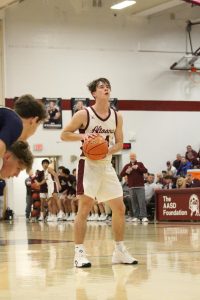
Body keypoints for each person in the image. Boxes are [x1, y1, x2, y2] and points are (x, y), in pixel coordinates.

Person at [61, 77, 138, 268]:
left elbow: (119, 143)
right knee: (85, 207)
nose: (106, 89)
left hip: (106, 163)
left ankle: (119, 251)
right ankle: (79, 253)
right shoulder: (83, 114)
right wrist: (85, 136)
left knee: (119, 208)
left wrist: (107, 149)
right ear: (94, 93)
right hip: (87, 164)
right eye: (101, 87)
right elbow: (64, 134)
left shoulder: (117, 116)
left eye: (108, 86)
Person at [120, 152, 148, 223]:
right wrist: (127, 171)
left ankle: (143, 216)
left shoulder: (140, 164)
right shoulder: (127, 165)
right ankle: (136, 216)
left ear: (136, 157)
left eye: (133, 156)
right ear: (129, 157)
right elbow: (121, 174)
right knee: (134, 202)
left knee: (141, 202)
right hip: (131, 187)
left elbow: (145, 170)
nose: (132, 158)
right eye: (131, 157)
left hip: (140, 186)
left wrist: (138, 168)